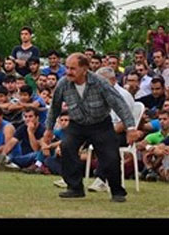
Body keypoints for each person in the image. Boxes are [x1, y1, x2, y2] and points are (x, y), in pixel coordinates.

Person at [43, 53, 140, 203]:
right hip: (77, 124)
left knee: (110, 156)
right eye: (67, 68)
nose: (68, 72)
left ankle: (117, 191)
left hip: (101, 124)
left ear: (85, 69)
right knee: (66, 146)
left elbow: (119, 104)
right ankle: (75, 188)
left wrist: (131, 127)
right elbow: (54, 107)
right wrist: (49, 129)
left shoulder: (99, 82)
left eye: (73, 69)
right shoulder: (63, 83)